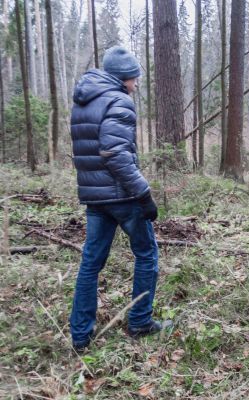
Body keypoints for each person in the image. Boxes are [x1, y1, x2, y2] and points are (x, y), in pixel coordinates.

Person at [69, 46, 170, 351]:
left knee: (90, 263)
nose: (136, 83)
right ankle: (140, 321)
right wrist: (143, 194)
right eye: (134, 77)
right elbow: (115, 154)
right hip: (122, 196)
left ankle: (80, 335)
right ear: (123, 77)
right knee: (147, 254)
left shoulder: (84, 99)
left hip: (95, 197)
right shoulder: (119, 100)